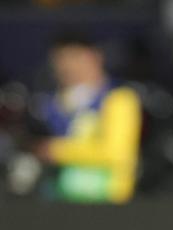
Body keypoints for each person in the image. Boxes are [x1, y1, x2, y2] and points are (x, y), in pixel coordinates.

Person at [34, 32, 141, 203]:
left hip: (107, 199)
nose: (68, 66)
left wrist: (58, 150)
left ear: (95, 56)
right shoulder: (50, 103)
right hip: (60, 198)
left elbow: (117, 152)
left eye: (75, 57)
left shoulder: (119, 99)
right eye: (60, 59)